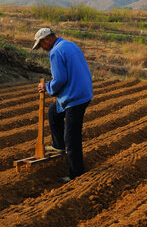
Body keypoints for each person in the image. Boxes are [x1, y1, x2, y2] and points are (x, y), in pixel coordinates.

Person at [33, 27, 93, 182]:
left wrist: (46, 87)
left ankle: (76, 173)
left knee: (72, 137)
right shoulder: (69, 44)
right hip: (84, 92)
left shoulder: (55, 52)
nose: (42, 49)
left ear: (46, 40)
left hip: (75, 98)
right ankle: (58, 145)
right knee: (54, 112)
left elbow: (60, 79)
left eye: (41, 45)